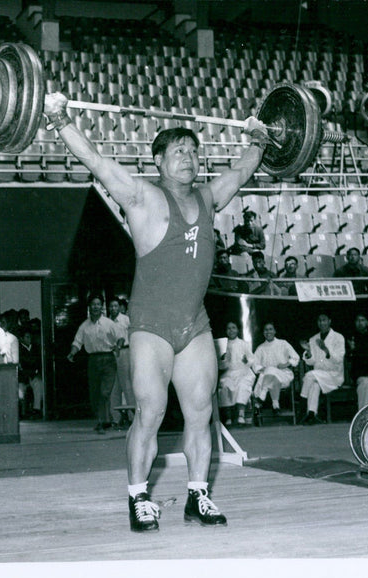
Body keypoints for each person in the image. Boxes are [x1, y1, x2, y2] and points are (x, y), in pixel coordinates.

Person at [45, 90, 267, 531]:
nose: (188, 156)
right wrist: (60, 119)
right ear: (160, 161)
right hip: (150, 327)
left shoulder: (208, 196)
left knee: (201, 411)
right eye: (178, 150)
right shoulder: (141, 196)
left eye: (193, 150)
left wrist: (259, 138)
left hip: (195, 326)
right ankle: (138, 497)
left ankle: (197, 496)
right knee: (151, 412)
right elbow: (97, 163)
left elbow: (242, 169)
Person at [67, 295, 120, 434]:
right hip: (93, 361)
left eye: (98, 304)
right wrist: (72, 353)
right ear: (89, 307)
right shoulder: (84, 326)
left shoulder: (109, 323)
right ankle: (103, 420)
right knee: (96, 393)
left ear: (101, 307)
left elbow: (120, 337)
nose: (95, 306)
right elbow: (77, 342)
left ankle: (104, 422)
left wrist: (118, 347)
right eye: (93, 304)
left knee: (105, 392)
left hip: (108, 359)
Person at [298, 313, 345, 425]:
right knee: (314, 384)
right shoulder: (313, 339)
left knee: (309, 375)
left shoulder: (338, 337)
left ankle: (302, 403)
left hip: (333, 375)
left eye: (324, 320)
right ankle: (311, 414)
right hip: (319, 375)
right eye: (319, 320)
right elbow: (312, 361)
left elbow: (338, 359)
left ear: (329, 321)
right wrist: (308, 352)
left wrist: (326, 350)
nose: (322, 323)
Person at [251, 322, 300, 423]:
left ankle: (263, 393)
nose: (268, 332)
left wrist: (286, 364)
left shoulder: (283, 343)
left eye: (270, 329)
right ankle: (276, 406)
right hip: (271, 378)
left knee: (271, 370)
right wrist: (261, 369)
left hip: (284, 375)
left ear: (274, 331)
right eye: (266, 330)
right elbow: (254, 363)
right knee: (271, 372)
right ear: (263, 332)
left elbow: (296, 357)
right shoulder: (260, 348)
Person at [218, 321, 256, 426]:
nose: (231, 330)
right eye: (229, 328)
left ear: (237, 330)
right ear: (226, 331)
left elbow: (252, 359)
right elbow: (220, 365)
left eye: (233, 328)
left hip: (243, 372)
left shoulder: (244, 344)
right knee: (225, 386)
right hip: (229, 373)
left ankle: (241, 414)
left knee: (242, 385)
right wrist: (225, 361)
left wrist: (246, 361)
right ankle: (228, 417)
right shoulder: (223, 345)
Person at [108, 297, 136, 428]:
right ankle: (116, 418)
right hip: (111, 353)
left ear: (119, 307)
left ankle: (133, 417)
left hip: (124, 352)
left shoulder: (126, 320)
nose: (113, 308)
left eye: (115, 306)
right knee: (114, 387)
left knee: (127, 384)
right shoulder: (106, 321)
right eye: (111, 306)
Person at [18, 325, 42, 419]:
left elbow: (37, 362)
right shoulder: (18, 349)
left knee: (38, 384)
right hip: (22, 377)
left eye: (30, 337)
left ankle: (36, 409)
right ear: (21, 338)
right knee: (20, 391)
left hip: (33, 375)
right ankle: (22, 413)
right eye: (27, 337)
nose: (29, 339)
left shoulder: (35, 348)